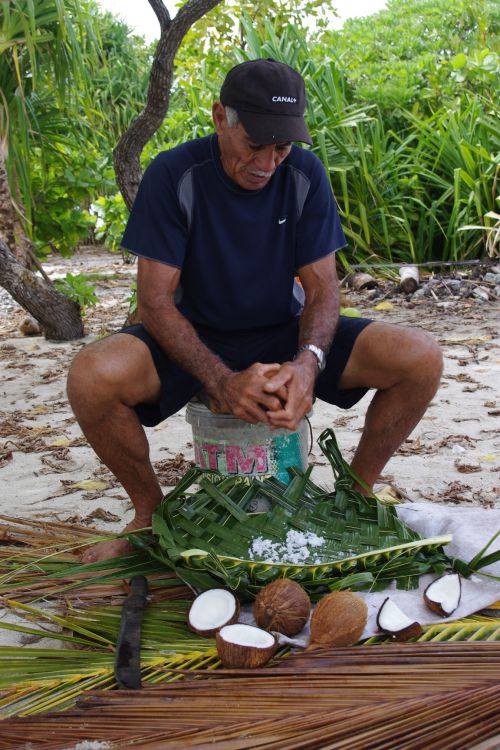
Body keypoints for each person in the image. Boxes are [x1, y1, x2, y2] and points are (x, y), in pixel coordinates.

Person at [67, 58, 442, 563]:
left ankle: (356, 496)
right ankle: (150, 515)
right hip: (190, 334)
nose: (267, 163)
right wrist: (219, 381)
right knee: (91, 377)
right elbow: (154, 303)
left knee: (421, 358)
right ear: (222, 118)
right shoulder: (173, 175)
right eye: (254, 144)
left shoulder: (305, 175)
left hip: (282, 329)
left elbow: (323, 289)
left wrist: (309, 363)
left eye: (281, 147)